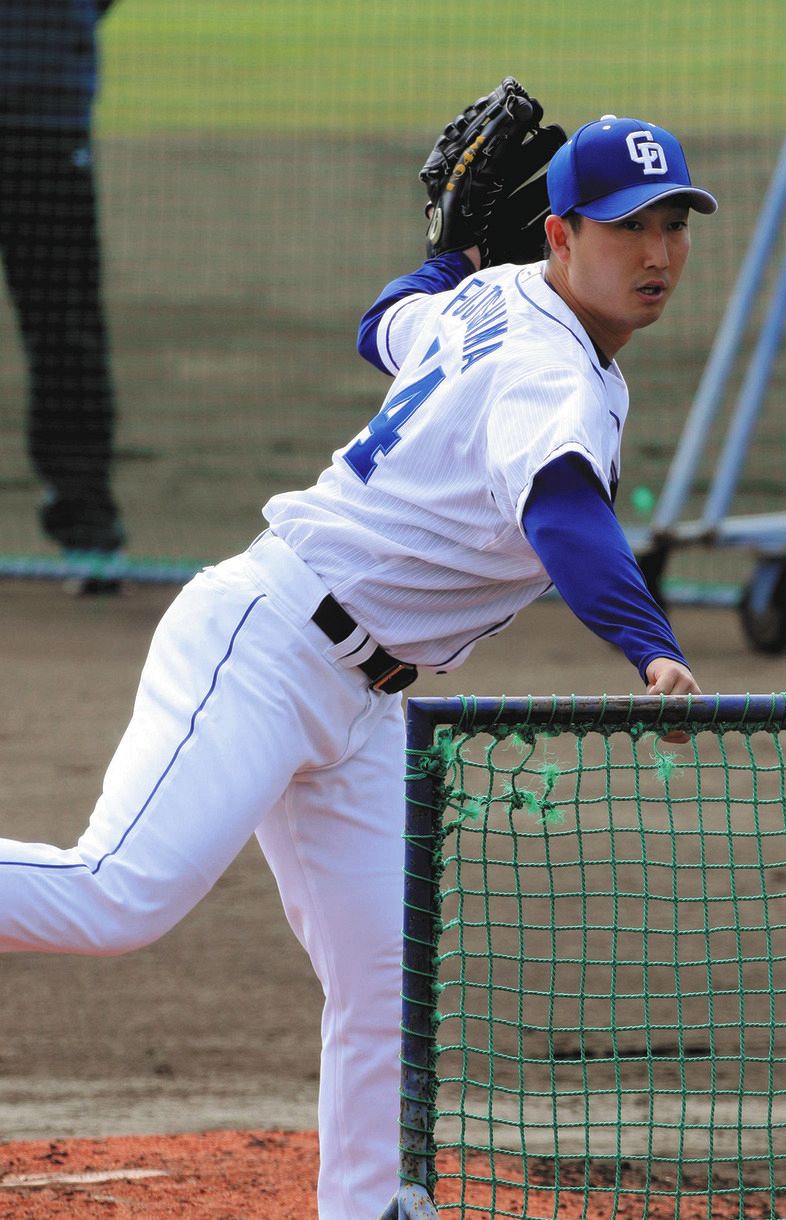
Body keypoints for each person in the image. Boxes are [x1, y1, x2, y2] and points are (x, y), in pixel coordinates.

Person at [0, 114, 716, 1218]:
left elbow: (383, 324)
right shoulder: (548, 370)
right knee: (117, 896)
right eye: (627, 227)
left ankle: (369, 1206)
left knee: (388, 974)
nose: (657, 253)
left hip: (362, 697)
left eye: (672, 225)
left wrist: (450, 258)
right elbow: (565, 515)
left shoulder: (492, 298)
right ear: (561, 234)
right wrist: (650, 644)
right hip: (267, 646)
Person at [0, 1, 125, 590]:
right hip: (49, 100)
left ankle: (88, 528)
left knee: (64, 329)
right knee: (65, 329)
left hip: (44, 110)